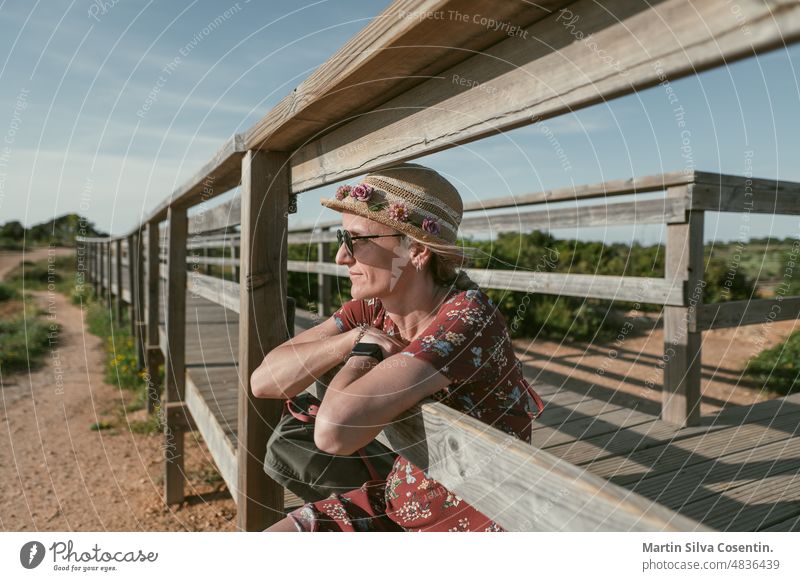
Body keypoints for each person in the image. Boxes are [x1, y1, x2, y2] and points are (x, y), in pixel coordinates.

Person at [251, 162, 544, 532]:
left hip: (469, 522)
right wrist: (352, 339)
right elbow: (264, 381)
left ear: (416, 251)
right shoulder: (373, 309)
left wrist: (361, 357)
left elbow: (333, 433)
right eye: (342, 241)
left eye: (356, 242)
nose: (341, 258)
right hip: (401, 499)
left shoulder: (466, 319)